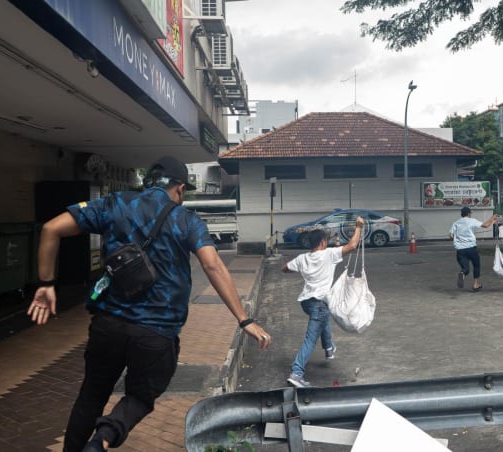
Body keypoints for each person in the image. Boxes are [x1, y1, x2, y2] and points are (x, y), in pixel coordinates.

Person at [27, 156, 271, 452]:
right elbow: (212, 265)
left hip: (108, 325)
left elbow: (52, 228)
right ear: (179, 188)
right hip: (156, 333)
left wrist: (46, 284)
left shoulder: (114, 204)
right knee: (140, 398)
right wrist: (244, 319)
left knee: (90, 396)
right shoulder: (186, 220)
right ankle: (103, 438)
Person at [280, 216, 365, 388]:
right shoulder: (329, 254)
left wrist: (302, 270)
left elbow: (284, 268)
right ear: (323, 242)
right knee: (310, 338)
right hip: (318, 304)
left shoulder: (302, 258)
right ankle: (296, 373)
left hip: (306, 302)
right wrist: (358, 227)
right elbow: (352, 245)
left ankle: (328, 348)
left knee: (325, 313)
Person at [449, 206, 498, 292]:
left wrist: (458, 241)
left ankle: (462, 273)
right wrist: (492, 218)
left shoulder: (456, 223)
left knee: (465, 268)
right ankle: (475, 285)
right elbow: (486, 225)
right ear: (468, 214)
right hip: (471, 248)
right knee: (476, 265)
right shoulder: (471, 221)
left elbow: (450, 235)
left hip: (460, 250)